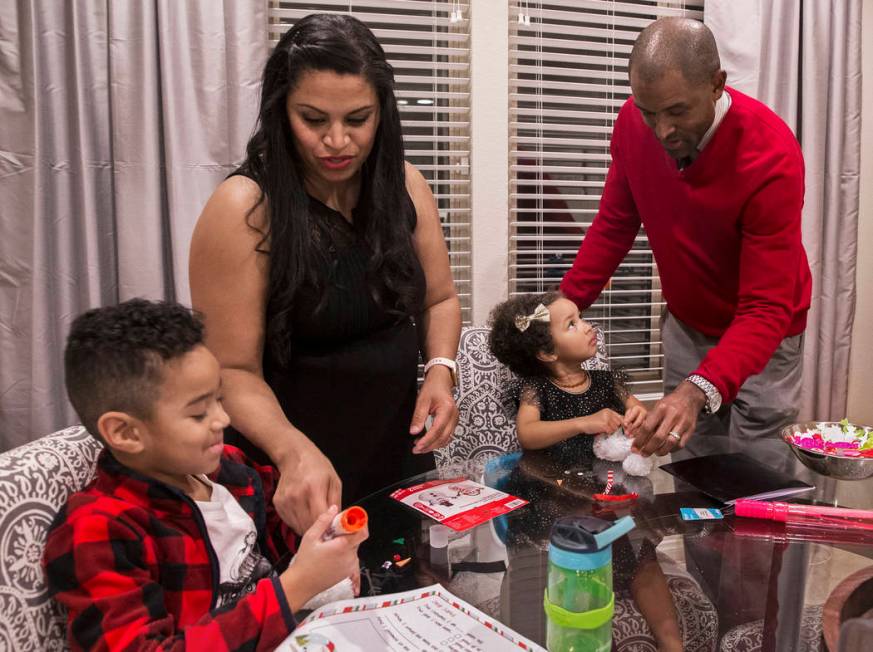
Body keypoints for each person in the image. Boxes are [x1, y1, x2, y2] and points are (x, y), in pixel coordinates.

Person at [189, 14, 461, 533]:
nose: (337, 141)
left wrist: (441, 370)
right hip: (294, 467)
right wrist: (293, 452)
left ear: (383, 112)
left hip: (395, 452)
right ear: (280, 111)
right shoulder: (244, 208)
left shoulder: (404, 184)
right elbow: (231, 369)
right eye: (313, 119)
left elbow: (439, 299)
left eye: (358, 118)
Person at [44, 299, 368, 650]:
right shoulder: (99, 529)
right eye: (199, 413)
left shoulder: (229, 469)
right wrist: (297, 586)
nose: (222, 420)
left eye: (219, 400)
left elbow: (279, 538)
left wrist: (327, 539)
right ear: (125, 433)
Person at [560, 17, 812, 459]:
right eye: (647, 111)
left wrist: (698, 389)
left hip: (767, 335)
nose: (662, 131)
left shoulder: (770, 154)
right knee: (693, 471)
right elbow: (615, 223)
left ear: (717, 85)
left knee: (759, 473)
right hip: (688, 325)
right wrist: (567, 301)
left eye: (677, 111)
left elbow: (766, 306)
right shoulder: (631, 124)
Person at [488, 292, 647, 460]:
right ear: (547, 353)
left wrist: (639, 418)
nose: (587, 327)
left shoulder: (608, 381)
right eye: (572, 324)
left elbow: (642, 414)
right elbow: (527, 434)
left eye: (581, 317)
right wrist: (583, 423)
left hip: (604, 479)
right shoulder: (536, 389)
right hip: (551, 481)